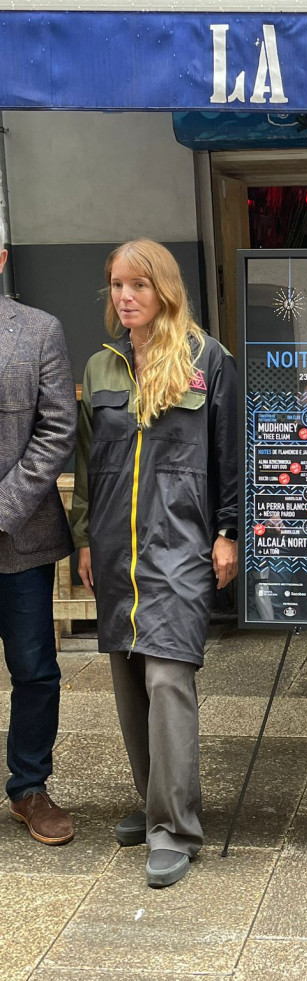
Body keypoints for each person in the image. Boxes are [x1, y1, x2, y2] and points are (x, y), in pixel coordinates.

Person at [71, 240, 238, 888]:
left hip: (179, 545)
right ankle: (152, 802)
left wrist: (226, 533)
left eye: (138, 284)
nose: (125, 296)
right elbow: (88, 464)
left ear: (162, 288)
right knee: (129, 679)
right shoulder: (103, 365)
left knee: (169, 678)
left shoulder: (206, 360)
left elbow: (228, 453)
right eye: (116, 285)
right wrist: (85, 537)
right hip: (116, 549)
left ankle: (175, 827)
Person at [0, 234, 77, 846]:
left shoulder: (39, 331)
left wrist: (2, 508)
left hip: (19, 538)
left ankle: (29, 787)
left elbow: (57, 431)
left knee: (34, 667)